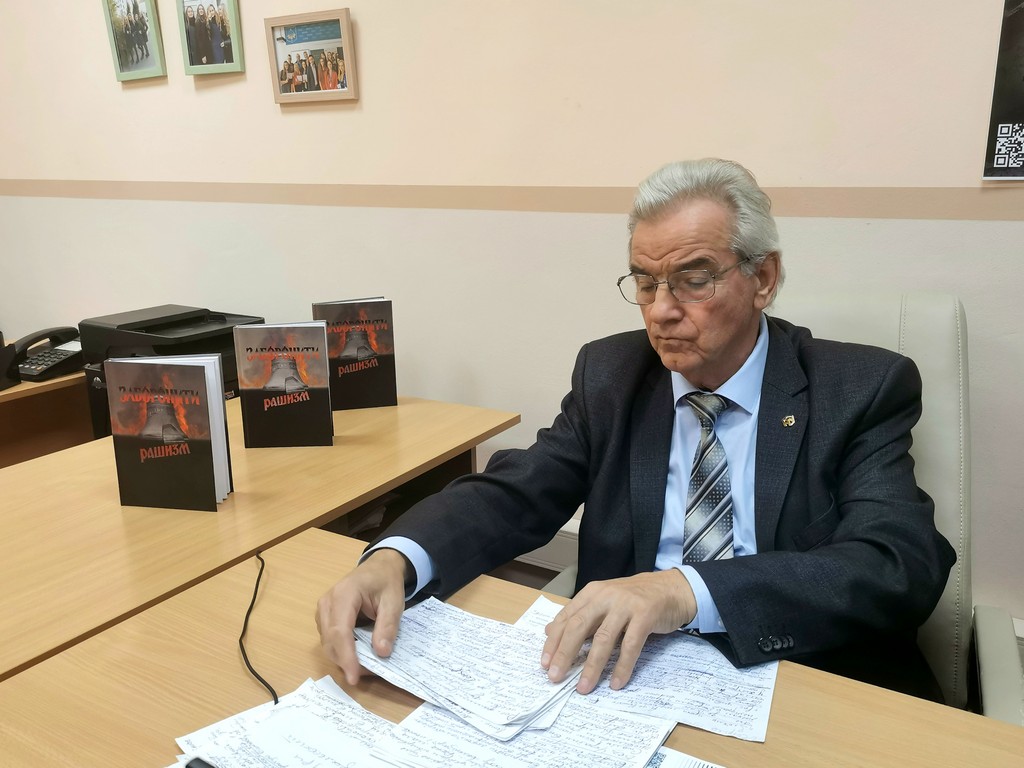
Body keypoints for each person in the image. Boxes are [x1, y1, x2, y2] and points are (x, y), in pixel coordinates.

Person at [316, 158, 956, 703]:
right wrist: (396, 558)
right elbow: (518, 492)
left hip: (802, 678)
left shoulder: (860, 387)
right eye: (646, 283)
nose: (661, 311)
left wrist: (687, 590)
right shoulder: (613, 374)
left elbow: (897, 564)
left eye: (693, 279)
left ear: (763, 278)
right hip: (629, 682)